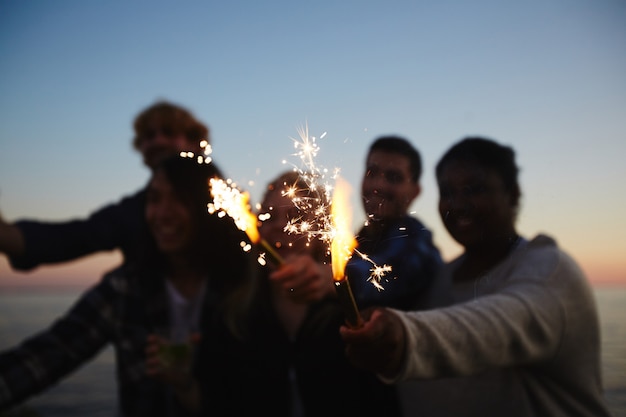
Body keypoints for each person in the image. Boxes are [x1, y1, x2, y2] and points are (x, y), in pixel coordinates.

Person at [339, 137, 612, 417]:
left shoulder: (549, 271)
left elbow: (495, 327)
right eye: (447, 191)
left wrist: (401, 336)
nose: (458, 204)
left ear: (513, 194)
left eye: (474, 189)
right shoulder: (438, 279)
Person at [0, 156, 257, 416]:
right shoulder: (127, 288)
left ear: (209, 206)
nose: (163, 214)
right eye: (154, 199)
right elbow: (51, 353)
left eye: (181, 199)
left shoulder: (242, 288)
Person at [196, 170, 400, 417]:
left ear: (320, 233)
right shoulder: (232, 317)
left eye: (297, 216)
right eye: (270, 216)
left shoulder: (352, 311)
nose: (282, 225)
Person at [0, 100, 211, 271]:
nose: (157, 141)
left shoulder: (229, 204)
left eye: (169, 132)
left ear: (194, 142)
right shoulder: (132, 212)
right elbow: (71, 239)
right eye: (148, 136)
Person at [346, 135, 442, 311]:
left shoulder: (417, 244)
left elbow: (392, 273)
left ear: (415, 192)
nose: (378, 185)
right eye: (371, 173)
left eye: (393, 177)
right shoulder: (358, 242)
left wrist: (335, 278)